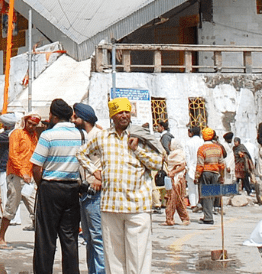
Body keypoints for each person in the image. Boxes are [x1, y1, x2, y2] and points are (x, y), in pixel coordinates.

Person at [77, 97, 163, 274]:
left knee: (138, 258)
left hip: (137, 207)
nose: (124, 115)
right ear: (112, 116)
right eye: (119, 112)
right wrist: (94, 171)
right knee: (113, 258)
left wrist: (137, 150)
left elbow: (157, 163)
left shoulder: (140, 136)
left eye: (126, 112)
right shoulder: (103, 137)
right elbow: (81, 153)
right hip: (111, 206)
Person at [30, 99, 83, 274]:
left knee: (45, 238)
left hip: (50, 188)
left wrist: (41, 186)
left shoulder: (48, 136)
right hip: (72, 189)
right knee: (70, 239)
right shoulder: (80, 135)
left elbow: (36, 167)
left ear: (53, 116)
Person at [0, 112, 41, 249]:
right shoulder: (17, 134)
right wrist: (23, 173)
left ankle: (42, 242)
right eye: (30, 123)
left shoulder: (34, 137)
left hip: (29, 178)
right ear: (25, 122)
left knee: (37, 209)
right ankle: (0, 238)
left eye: (34, 125)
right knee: (11, 207)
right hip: (16, 175)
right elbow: (13, 155)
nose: (31, 126)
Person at [72, 103, 106, 274]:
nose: (72, 119)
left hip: (96, 194)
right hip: (85, 193)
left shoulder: (99, 136)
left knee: (98, 239)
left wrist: (100, 179)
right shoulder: (86, 136)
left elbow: (109, 162)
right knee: (89, 239)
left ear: (83, 119)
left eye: (75, 116)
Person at [195, 127, 225, 225]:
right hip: (216, 173)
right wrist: (222, 176)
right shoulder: (218, 148)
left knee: (206, 196)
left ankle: (208, 217)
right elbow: (222, 164)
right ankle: (209, 213)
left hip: (206, 173)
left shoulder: (201, 149)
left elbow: (200, 165)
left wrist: (196, 176)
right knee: (212, 195)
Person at [163, 138, 191, 226]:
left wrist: (173, 172)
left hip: (178, 179)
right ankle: (170, 219)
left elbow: (182, 166)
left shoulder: (179, 153)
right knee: (172, 199)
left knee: (175, 199)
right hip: (171, 179)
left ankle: (181, 218)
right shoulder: (172, 154)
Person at [184, 126, 204, 210]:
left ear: (191, 133)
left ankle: (193, 204)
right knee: (201, 186)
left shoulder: (188, 143)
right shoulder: (202, 142)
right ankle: (201, 203)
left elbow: (187, 157)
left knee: (191, 187)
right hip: (202, 166)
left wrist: (187, 168)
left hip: (191, 167)